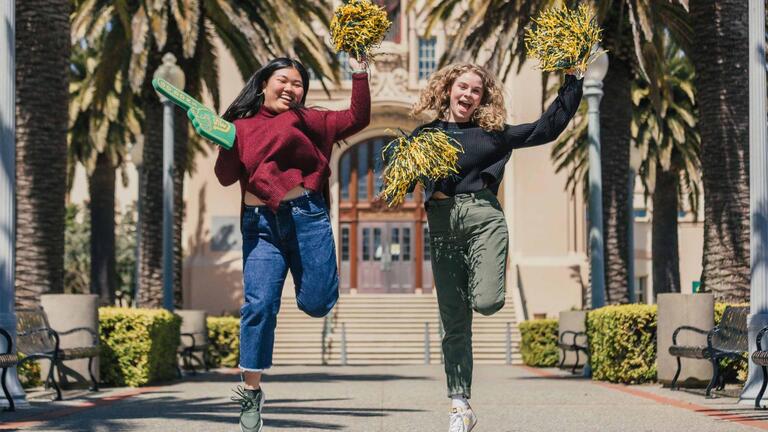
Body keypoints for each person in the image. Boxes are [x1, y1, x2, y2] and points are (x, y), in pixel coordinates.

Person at [410, 63, 582, 432]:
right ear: (448, 89)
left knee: (487, 301)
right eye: (463, 87)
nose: (468, 95)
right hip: (441, 224)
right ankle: (460, 404)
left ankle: (481, 279)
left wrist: (574, 79)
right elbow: (401, 173)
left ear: (482, 99)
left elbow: (546, 128)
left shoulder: (492, 135)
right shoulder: (425, 135)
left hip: (482, 218)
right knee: (453, 321)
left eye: (476, 90)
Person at [213, 56, 370, 432]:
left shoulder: (311, 120)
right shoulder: (240, 125)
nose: (290, 88)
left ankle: (311, 286)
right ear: (264, 83)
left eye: (298, 83)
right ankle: (251, 392)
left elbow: (358, 118)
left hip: (306, 219)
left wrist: (360, 71)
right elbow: (224, 177)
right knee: (259, 305)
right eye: (283, 80)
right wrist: (225, 142)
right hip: (260, 226)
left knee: (317, 303)